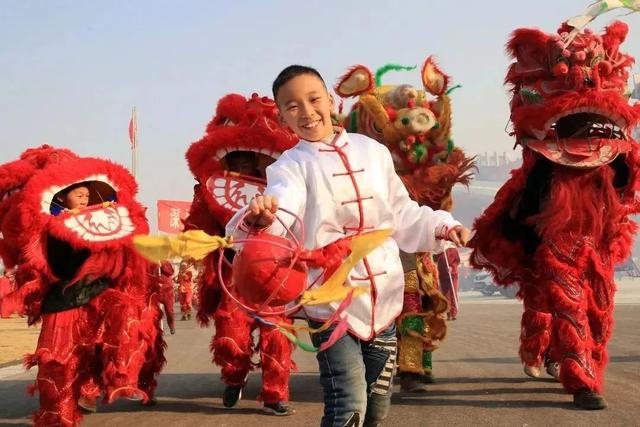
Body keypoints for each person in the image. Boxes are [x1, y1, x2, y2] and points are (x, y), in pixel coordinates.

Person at [226, 65, 470, 426]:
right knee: (348, 402)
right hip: (330, 306)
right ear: (282, 117)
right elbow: (282, 207)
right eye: (292, 107)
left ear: (330, 99)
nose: (307, 113)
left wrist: (444, 225)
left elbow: (401, 213)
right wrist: (262, 217)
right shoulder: (290, 167)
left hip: (385, 298)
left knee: (377, 406)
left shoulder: (372, 151)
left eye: (313, 99)